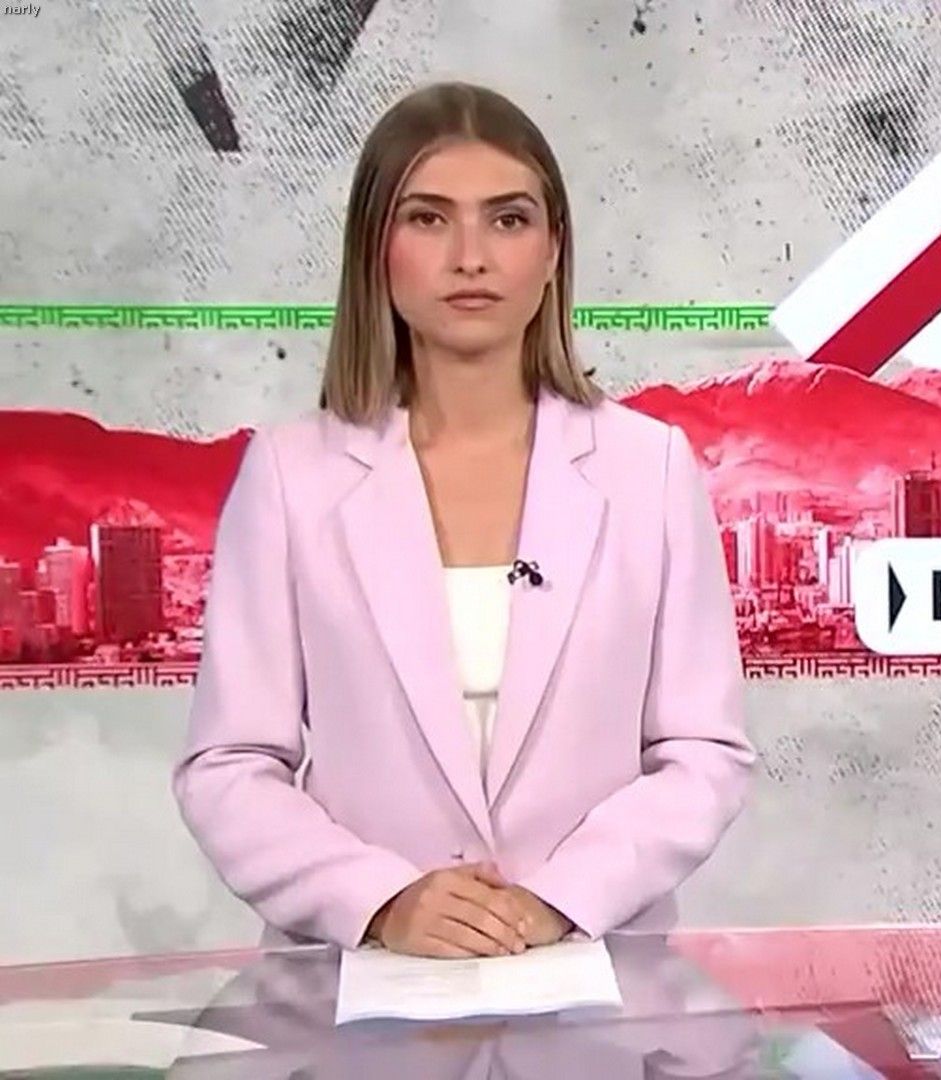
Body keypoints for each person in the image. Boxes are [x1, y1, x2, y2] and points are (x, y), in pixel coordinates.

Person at [172, 81, 755, 959]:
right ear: (375, 249)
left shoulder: (650, 468)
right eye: (429, 219)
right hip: (358, 985)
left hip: (591, 973)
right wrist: (382, 902)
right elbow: (230, 766)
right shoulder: (293, 475)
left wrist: (559, 899)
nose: (471, 257)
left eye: (508, 220)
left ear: (553, 251)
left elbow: (703, 752)